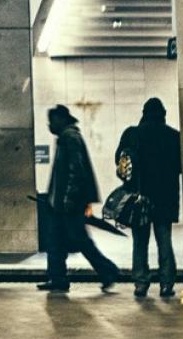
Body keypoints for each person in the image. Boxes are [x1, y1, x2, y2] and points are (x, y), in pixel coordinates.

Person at [41, 105, 122, 294]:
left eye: (51, 121)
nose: (49, 125)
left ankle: (108, 270)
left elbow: (76, 171)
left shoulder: (70, 138)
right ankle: (57, 278)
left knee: (78, 239)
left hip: (68, 203)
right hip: (60, 203)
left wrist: (68, 199)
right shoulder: (66, 137)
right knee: (56, 240)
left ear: (61, 119)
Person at [115, 97, 181, 299]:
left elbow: (120, 162)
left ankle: (141, 283)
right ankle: (166, 284)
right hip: (165, 198)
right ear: (163, 115)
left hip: (139, 198)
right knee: (164, 241)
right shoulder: (173, 136)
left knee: (140, 242)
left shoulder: (132, 134)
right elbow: (180, 166)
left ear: (143, 113)